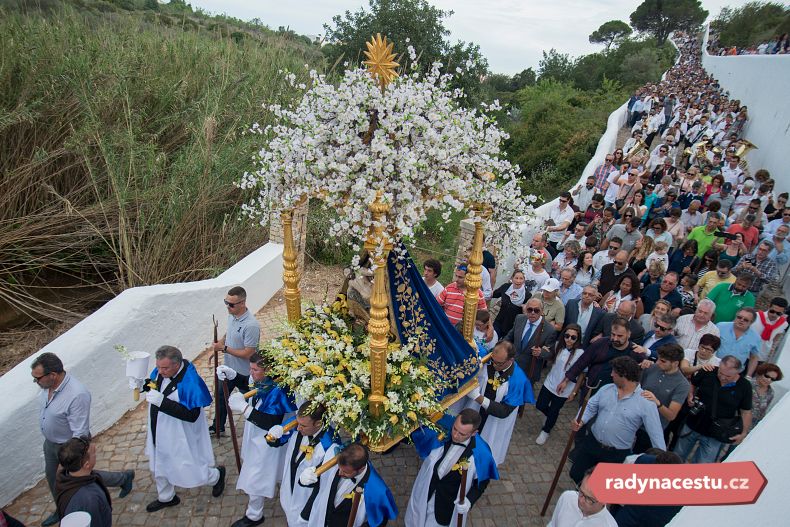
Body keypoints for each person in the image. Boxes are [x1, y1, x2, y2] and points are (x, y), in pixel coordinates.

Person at [31, 353, 133, 527]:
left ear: (52, 375)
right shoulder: (47, 387)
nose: (35, 382)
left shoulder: (77, 394)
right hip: (50, 444)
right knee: (54, 478)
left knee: (81, 476)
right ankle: (61, 509)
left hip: (69, 446)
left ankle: (123, 478)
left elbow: (80, 431)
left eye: (37, 378)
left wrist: (67, 459)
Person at [144, 345, 224, 512]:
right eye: (158, 366)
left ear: (176, 364)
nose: (160, 371)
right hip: (159, 429)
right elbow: (153, 384)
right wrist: (143, 385)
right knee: (159, 463)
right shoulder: (161, 370)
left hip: (179, 434)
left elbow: (192, 415)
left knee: (188, 466)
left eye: (164, 368)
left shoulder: (190, 381)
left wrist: (162, 402)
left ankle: (216, 476)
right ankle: (166, 496)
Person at [223, 353, 296, 527]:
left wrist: (244, 408)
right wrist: (235, 376)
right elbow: (250, 384)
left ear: (268, 370)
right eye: (251, 368)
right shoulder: (263, 379)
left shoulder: (278, 390)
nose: (252, 372)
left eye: (255, 369)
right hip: (255, 434)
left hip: (267, 440)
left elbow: (271, 422)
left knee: (256, 475)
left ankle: (254, 514)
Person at [568, 357, 665, 484]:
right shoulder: (606, 388)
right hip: (592, 443)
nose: (611, 374)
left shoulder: (646, 403)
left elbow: (656, 433)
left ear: (624, 375)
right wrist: (580, 420)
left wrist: (663, 462)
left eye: (614, 372)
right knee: (576, 473)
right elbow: (591, 406)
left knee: (602, 485)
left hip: (616, 454)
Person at [406, 410, 498, 527]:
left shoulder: (482, 454)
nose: (455, 435)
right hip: (425, 492)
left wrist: (469, 501)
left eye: (462, 434)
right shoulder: (444, 427)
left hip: (446, 506)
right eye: (455, 429)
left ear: (474, 433)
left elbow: (481, 484)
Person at [267, 403, 341, 527]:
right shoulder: (299, 428)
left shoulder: (329, 446)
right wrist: (273, 436)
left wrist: (306, 514)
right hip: (290, 485)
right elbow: (276, 441)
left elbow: (326, 483)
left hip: (306, 496)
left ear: (318, 424)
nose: (297, 428)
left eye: (303, 426)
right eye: (298, 423)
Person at [465, 341, 534, 464]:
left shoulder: (518, 380)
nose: (494, 365)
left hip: (494, 423)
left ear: (510, 360)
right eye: (493, 360)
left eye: (499, 363)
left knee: (485, 453)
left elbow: (504, 411)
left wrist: (478, 397)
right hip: (475, 412)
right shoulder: (489, 357)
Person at [673, 356, 752, 463]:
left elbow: (746, 411)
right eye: (721, 373)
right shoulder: (708, 371)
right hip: (693, 424)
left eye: (728, 376)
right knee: (677, 456)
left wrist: (744, 433)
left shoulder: (745, 386)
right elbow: (693, 383)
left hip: (716, 433)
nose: (723, 377)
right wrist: (690, 395)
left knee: (703, 466)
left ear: (738, 372)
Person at [299, 443, 397, 527]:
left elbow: (379, 522)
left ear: (361, 468)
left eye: (346, 472)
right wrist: (305, 479)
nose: (340, 473)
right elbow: (317, 481)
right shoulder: (334, 460)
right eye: (339, 468)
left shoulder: (377, 490)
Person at [212, 286, 261, 434]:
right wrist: (220, 343)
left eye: (231, 304)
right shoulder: (232, 316)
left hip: (245, 373)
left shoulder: (251, 325)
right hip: (229, 368)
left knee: (250, 400)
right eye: (226, 302)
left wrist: (224, 348)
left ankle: (256, 427)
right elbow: (229, 333)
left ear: (242, 303)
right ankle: (218, 426)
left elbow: (248, 352)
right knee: (220, 396)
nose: (228, 306)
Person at [559, 317, 648, 394]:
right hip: (591, 390)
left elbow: (645, 364)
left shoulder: (635, 351)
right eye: (613, 334)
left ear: (629, 334)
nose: (615, 338)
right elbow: (582, 362)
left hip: (614, 396)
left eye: (620, 336)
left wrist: (646, 362)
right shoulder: (601, 343)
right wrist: (566, 381)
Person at [634, 344, 690, 453]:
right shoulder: (653, 367)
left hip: (651, 429)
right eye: (659, 359)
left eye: (663, 361)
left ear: (675, 363)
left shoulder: (682, 384)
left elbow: (671, 415)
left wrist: (657, 402)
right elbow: (633, 385)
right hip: (633, 420)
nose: (658, 362)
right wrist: (640, 367)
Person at [535, 325, 585, 445]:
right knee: (540, 405)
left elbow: (582, 374)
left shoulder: (580, 353)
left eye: (573, 337)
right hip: (550, 383)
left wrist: (574, 392)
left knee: (554, 410)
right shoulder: (558, 346)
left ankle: (546, 430)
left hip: (565, 389)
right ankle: (550, 419)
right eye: (567, 336)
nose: (569, 339)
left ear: (577, 339)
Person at [55, 437, 112, 527]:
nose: (95, 454)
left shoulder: (63, 477)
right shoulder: (90, 499)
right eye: (94, 454)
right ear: (87, 464)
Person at [503, 298, 558, 384]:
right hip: (511, 365)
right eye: (529, 309)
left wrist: (541, 352)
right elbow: (509, 337)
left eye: (536, 310)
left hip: (529, 372)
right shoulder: (519, 318)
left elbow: (551, 354)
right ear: (525, 309)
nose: (532, 313)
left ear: (542, 311)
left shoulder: (549, 330)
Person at [547, 468, 617, 527]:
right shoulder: (567, 497)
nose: (581, 500)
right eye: (581, 492)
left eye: (589, 499)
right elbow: (553, 524)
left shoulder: (609, 525)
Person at [716, 307, 761, 376]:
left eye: (746, 320)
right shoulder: (720, 326)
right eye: (739, 317)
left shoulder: (755, 338)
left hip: (734, 374)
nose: (741, 320)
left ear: (751, 323)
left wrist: (748, 375)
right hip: (714, 367)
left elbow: (754, 358)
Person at [751, 297, 788, 363]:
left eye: (778, 313)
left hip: (762, 355)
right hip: (747, 351)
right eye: (772, 311)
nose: (774, 315)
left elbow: (776, 339)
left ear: (783, 312)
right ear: (769, 306)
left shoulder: (784, 324)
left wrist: (771, 350)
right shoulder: (756, 316)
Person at [491, 269, 527, 337]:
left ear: (524, 280)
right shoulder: (506, 287)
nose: (518, 281)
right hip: (499, 322)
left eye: (521, 278)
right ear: (512, 278)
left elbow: (525, 314)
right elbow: (493, 294)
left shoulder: (527, 295)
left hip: (512, 327)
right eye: (516, 278)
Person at [749, 364, 783, 429]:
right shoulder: (747, 384)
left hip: (752, 428)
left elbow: (762, 413)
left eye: (772, 379)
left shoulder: (770, 393)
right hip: (735, 423)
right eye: (767, 376)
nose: (769, 380)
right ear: (760, 373)